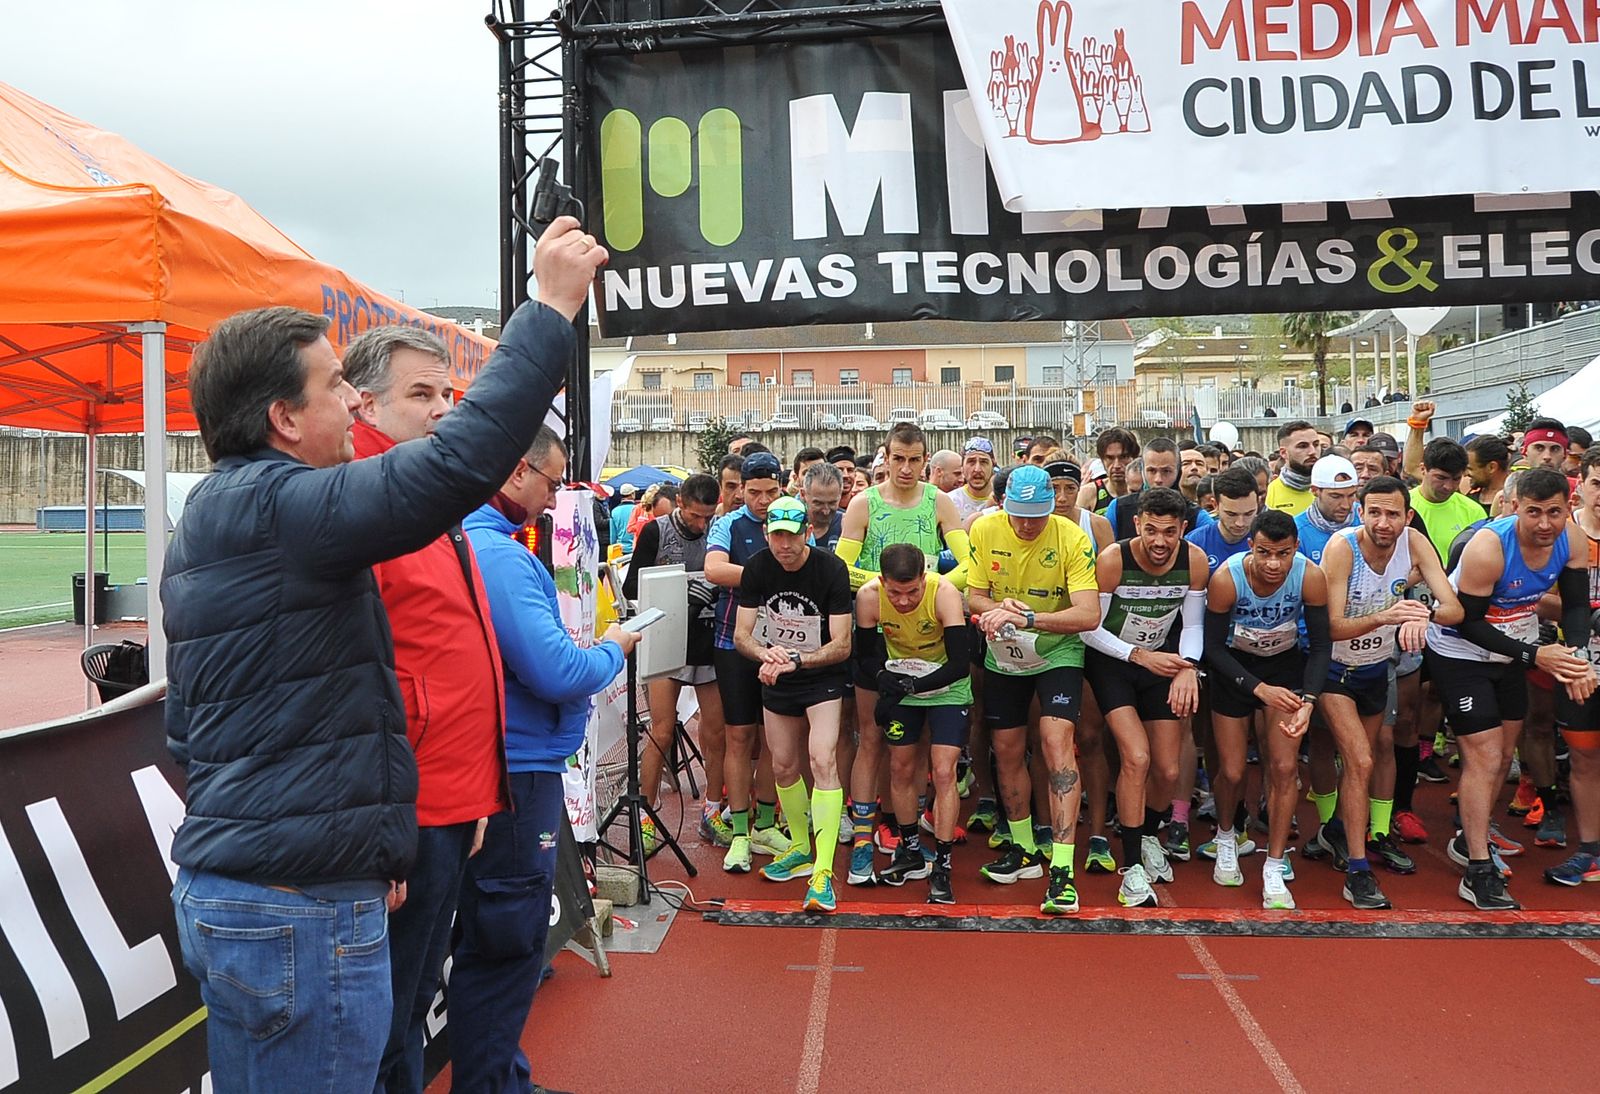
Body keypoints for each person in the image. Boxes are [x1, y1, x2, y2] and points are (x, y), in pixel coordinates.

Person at [164, 217, 597, 1093]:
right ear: (284, 417)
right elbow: (460, 464)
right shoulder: (284, 508)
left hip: (282, 885)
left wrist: (371, 839)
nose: (355, 405)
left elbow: (193, 728)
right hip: (296, 907)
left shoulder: (234, 515)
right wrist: (549, 308)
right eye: (336, 388)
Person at [343, 326, 506, 1094]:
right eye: (422, 394)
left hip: (443, 796)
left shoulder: (418, 495)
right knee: (384, 1023)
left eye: (447, 394)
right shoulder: (364, 497)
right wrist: (388, 822)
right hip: (406, 808)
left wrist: (471, 793)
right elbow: (355, 680)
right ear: (362, 401)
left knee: (404, 1012)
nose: (443, 409)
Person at [455, 426, 638, 1091]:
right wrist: (614, 647)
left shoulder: (476, 542)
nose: (554, 498)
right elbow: (556, 669)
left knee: (495, 938)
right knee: (506, 939)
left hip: (499, 764)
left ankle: (500, 1076)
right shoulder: (495, 554)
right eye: (553, 482)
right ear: (516, 471)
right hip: (514, 768)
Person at [1426, 469, 1596, 909]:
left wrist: (1576, 655)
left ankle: (1470, 836)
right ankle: (1478, 869)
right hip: (1461, 651)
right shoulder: (1488, 548)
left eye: (1555, 513)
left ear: (1567, 508)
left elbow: (1576, 605)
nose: (1545, 524)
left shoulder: (1573, 540)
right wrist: (1535, 656)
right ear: (1515, 506)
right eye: (1534, 512)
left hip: (1512, 649)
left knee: (1503, 754)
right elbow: (1468, 622)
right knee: (1482, 754)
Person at [1317, 477, 1462, 908]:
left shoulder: (1414, 543)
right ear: (1360, 513)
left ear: (1407, 516)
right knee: (1359, 759)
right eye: (1375, 512)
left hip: (1375, 670)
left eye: (1393, 513)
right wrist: (1387, 618)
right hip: (1331, 669)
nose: (1384, 522)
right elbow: (1331, 626)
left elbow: (1453, 608)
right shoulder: (1342, 548)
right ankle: (1358, 872)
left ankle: (1339, 832)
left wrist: (1423, 613)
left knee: (1369, 758)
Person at [836, 423, 972, 881]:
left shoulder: (940, 501)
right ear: (886, 457)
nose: (907, 468)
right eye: (898, 459)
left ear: (925, 459)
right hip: (878, 623)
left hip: (927, 625)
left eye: (915, 460)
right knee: (872, 739)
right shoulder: (863, 503)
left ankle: (904, 831)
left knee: (921, 748)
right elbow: (843, 567)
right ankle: (862, 835)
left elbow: (968, 564)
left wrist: (931, 593)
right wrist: (882, 590)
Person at [968, 466, 1100, 913]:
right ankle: (1024, 847)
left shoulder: (1071, 538)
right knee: (1005, 748)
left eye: (1037, 516)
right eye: (1019, 515)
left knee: (1055, 742)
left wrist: (1028, 619)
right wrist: (996, 607)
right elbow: (975, 595)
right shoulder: (984, 528)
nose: (1027, 525)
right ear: (1004, 505)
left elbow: (1088, 614)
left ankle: (1062, 870)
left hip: (1057, 649)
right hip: (1004, 653)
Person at [1082, 489, 1208, 908]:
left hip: (1162, 661)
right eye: (1151, 530)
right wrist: (1137, 655)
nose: (1159, 541)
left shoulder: (1194, 562)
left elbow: (1192, 625)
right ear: (1137, 525)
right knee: (1136, 757)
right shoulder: (1114, 560)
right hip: (1114, 661)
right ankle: (1132, 868)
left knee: (1168, 770)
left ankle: (1149, 833)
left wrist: (1188, 666)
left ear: (1182, 530)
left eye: (1169, 532)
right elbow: (1089, 628)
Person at [1202, 511, 1330, 910]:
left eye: (1282, 554)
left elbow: (1322, 646)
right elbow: (1212, 648)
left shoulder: (1309, 576)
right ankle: (1226, 836)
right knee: (1235, 770)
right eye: (1264, 553)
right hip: (1236, 671)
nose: (1273, 564)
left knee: (1284, 768)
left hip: (1284, 667)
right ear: (1250, 548)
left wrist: (1308, 702)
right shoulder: (1227, 579)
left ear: (1295, 549)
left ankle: (1274, 863)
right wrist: (1258, 689)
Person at [732, 496, 854, 912]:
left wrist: (798, 660)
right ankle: (801, 845)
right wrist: (766, 655)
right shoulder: (758, 567)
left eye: (792, 536)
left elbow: (842, 644)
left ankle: (823, 871)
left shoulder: (830, 569)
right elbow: (742, 634)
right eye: (777, 536)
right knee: (783, 765)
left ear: (808, 534)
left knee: (822, 761)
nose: (784, 545)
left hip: (820, 677)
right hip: (777, 673)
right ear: (768, 535)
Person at [855, 544, 974, 903]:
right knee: (901, 766)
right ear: (881, 582)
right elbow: (864, 657)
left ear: (924, 579)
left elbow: (960, 664)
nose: (904, 602)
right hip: (903, 682)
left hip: (946, 687)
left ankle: (943, 864)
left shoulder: (945, 594)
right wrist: (882, 677)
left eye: (912, 592)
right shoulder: (868, 597)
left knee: (942, 770)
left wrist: (912, 686)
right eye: (895, 593)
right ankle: (908, 848)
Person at [625, 472, 729, 850]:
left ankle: (712, 809)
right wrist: (680, 588)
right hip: (666, 638)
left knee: (716, 733)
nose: (701, 524)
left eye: (707, 517)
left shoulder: (719, 531)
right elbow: (632, 586)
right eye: (694, 517)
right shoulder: (656, 531)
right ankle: (646, 814)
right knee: (662, 730)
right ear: (680, 503)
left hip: (706, 642)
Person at [707, 452, 794, 871]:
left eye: (771, 492)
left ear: (782, 486)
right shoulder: (728, 524)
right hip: (733, 642)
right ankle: (739, 832)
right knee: (739, 737)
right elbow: (714, 570)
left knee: (775, 741)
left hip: (781, 646)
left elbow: (805, 566)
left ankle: (765, 821)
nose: (763, 500)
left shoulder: (792, 519)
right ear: (741, 488)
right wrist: (766, 575)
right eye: (755, 492)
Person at [1547, 448, 1600, 887]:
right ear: (1579, 483)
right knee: (1583, 756)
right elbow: (1529, 594)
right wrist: (1579, 609)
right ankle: (1590, 850)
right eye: (1598, 483)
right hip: (1577, 663)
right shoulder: (1561, 533)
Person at [1409, 437, 1486, 562]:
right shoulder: (1403, 506)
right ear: (1423, 469)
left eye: (1456, 479)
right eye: (1441, 478)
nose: (1448, 486)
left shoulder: (1473, 511)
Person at [1293, 455, 1361, 564]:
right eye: (1336, 496)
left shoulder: (1366, 520)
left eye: (1351, 495)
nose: (1346, 505)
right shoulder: (1296, 531)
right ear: (1315, 491)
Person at [1266, 420, 1321, 515]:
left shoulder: (1332, 489)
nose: (1312, 451)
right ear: (1284, 453)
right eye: (1303, 446)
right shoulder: (1270, 494)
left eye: (1316, 445)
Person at [1080, 427, 1139, 515]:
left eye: (1123, 457)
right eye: (1110, 458)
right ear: (1102, 460)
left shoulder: (1145, 492)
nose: (1117, 465)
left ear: (1134, 458)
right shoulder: (1088, 493)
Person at [799, 460, 846, 550]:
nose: (826, 511)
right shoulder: (793, 526)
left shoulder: (847, 526)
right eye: (818, 503)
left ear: (840, 495)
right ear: (803, 494)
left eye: (832, 503)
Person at [948, 436, 997, 521]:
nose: (977, 469)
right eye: (971, 462)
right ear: (962, 467)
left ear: (993, 465)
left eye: (984, 462)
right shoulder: (949, 502)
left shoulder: (1004, 501)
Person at [1466, 434, 1512, 512]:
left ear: (1492, 467)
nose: (1466, 474)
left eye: (1470, 469)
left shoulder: (1515, 501)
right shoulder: (1469, 499)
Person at [610, 483, 639, 551]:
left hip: (619, 549)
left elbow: (613, 535)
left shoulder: (614, 511)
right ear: (632, 494)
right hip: (635, 548)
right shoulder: (638, 509)